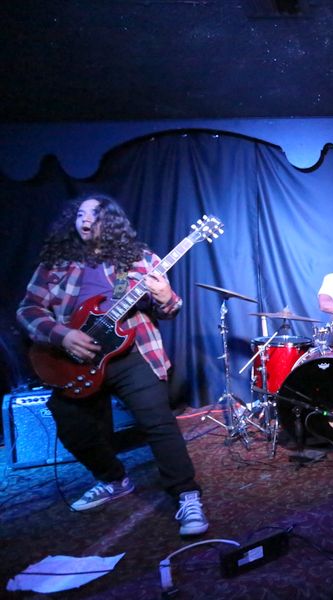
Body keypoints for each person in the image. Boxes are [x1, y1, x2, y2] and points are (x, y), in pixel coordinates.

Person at [17, 193, 209, 536]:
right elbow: (28, 309)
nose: (85, 219)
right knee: (72, 426)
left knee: (158, 423)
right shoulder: (55, 264)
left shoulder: (139, 260)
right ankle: (113, 479)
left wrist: (167, 298)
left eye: (94, 214)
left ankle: (186, 494)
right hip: (75, 356)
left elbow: (169, 309)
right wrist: (62, 335)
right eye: (80, 214)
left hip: (133, 353)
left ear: (111, 222)